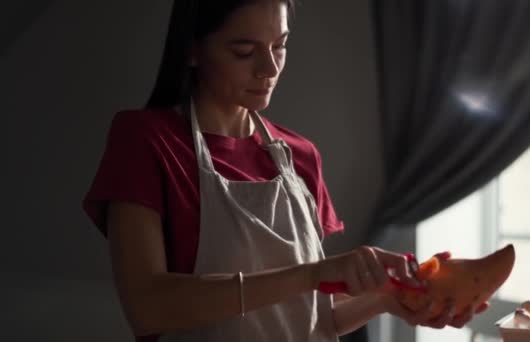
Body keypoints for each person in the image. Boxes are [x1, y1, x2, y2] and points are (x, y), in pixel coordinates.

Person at [82, 1, 487, 341]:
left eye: (280, 46)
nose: (269, 68)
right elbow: (149, 307)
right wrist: (313, 273)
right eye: (244, 51)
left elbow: (310, 316)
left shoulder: (299, 155)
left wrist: (385, 299)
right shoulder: (146, 141)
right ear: (192, 50)